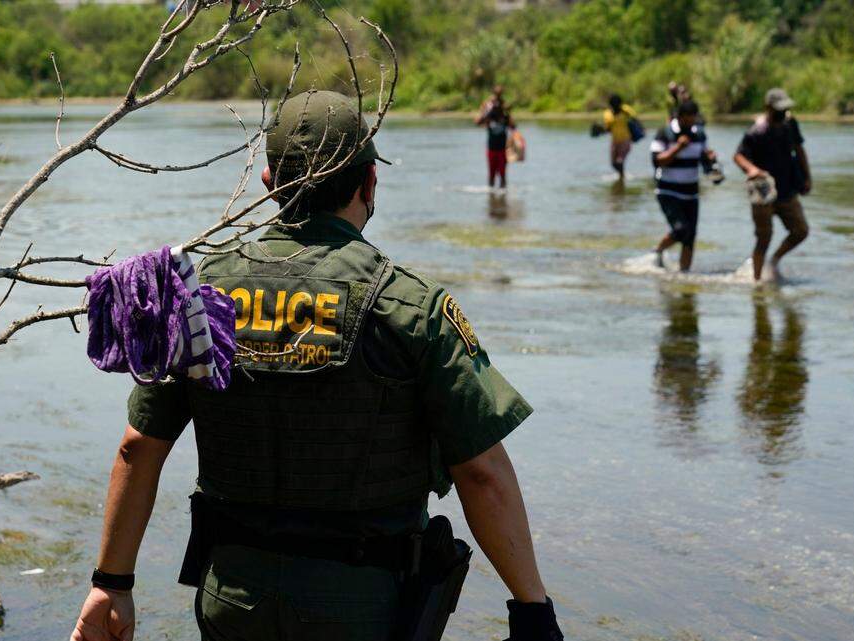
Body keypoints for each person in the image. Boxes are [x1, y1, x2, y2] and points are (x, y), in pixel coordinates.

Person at [70, 90, 563, 641]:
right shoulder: (408, 305)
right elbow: (482, 473)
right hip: (365, 608)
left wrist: (111, 583)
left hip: (233, 598)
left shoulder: (196, 295)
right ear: (369, 183)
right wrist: (531, 609)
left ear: (268, 184)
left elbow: (137, 449)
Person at [733, 88, 812, 281]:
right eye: (778, 110)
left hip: (787, 189)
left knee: (801, 231)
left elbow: (799, 150)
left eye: (784, 110)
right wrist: (751, 170)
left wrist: (807, 177)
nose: (782, 114)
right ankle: (757, 282)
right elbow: (738, 156)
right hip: (763, 190)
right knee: (763, 239)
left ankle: (774, 260)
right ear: (767, 108)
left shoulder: (790, 125)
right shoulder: (755, 132)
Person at [649, 100, 717, 272]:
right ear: (679, 118)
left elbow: (705, 162)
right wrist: (678, 147)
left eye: (694, 119)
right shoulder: (664, 133)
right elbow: (657, 161)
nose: (691, 123)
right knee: (680, 230)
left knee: (690, 236)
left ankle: (684, 274)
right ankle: (658, 251)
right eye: (688, 119)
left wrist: (710, 158)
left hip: (691, 193)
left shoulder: (699, 134)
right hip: (668, 191)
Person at [475, 85, 516, 188]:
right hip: (491, 148)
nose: (497, 100)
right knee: (491, 175)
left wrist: (507, 113)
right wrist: (486, 112)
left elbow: (513, 126)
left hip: (502, 149)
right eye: (496, 95)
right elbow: (477, 122)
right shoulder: (489, 111)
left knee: (502, 175)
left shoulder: (504, 111)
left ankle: (502, 197)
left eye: (499, 95)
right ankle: (492, 198)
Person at [601, 94, 640, 177]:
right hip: (614, 141)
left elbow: (635, 120)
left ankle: (621, 179)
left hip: (626, 140)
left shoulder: (626, 111)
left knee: (620, 161)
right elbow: (608, 129)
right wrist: (600, 130)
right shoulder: (608, 114)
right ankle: (622, 176)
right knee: (613, 163)